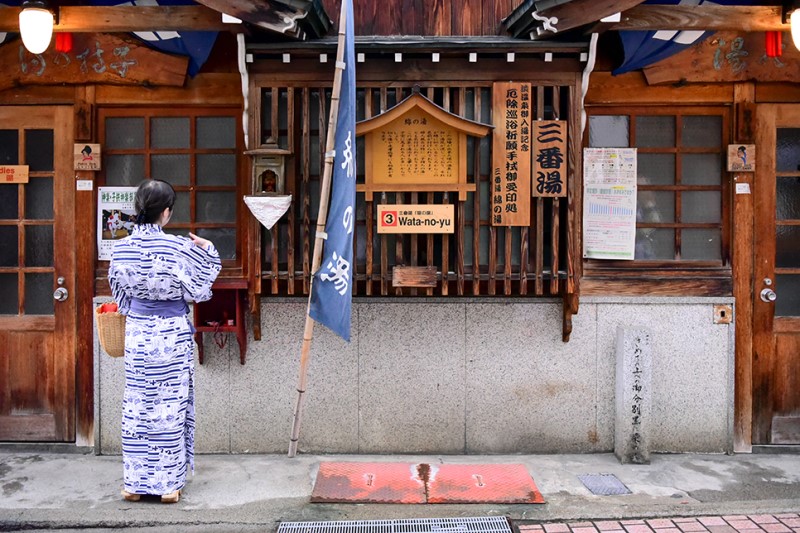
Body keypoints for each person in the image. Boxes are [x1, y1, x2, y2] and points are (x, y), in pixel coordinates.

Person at [108, 179, 221, 504]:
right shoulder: (177, 248)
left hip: (139, 334)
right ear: (167, 212)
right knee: (168, 407)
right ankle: (167, 485)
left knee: (138, 405)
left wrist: (141, 307)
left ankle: (134, 483)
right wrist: (207, 248)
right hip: (170, 334)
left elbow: (122, 298)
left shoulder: (121, 248)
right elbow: (202, 286)